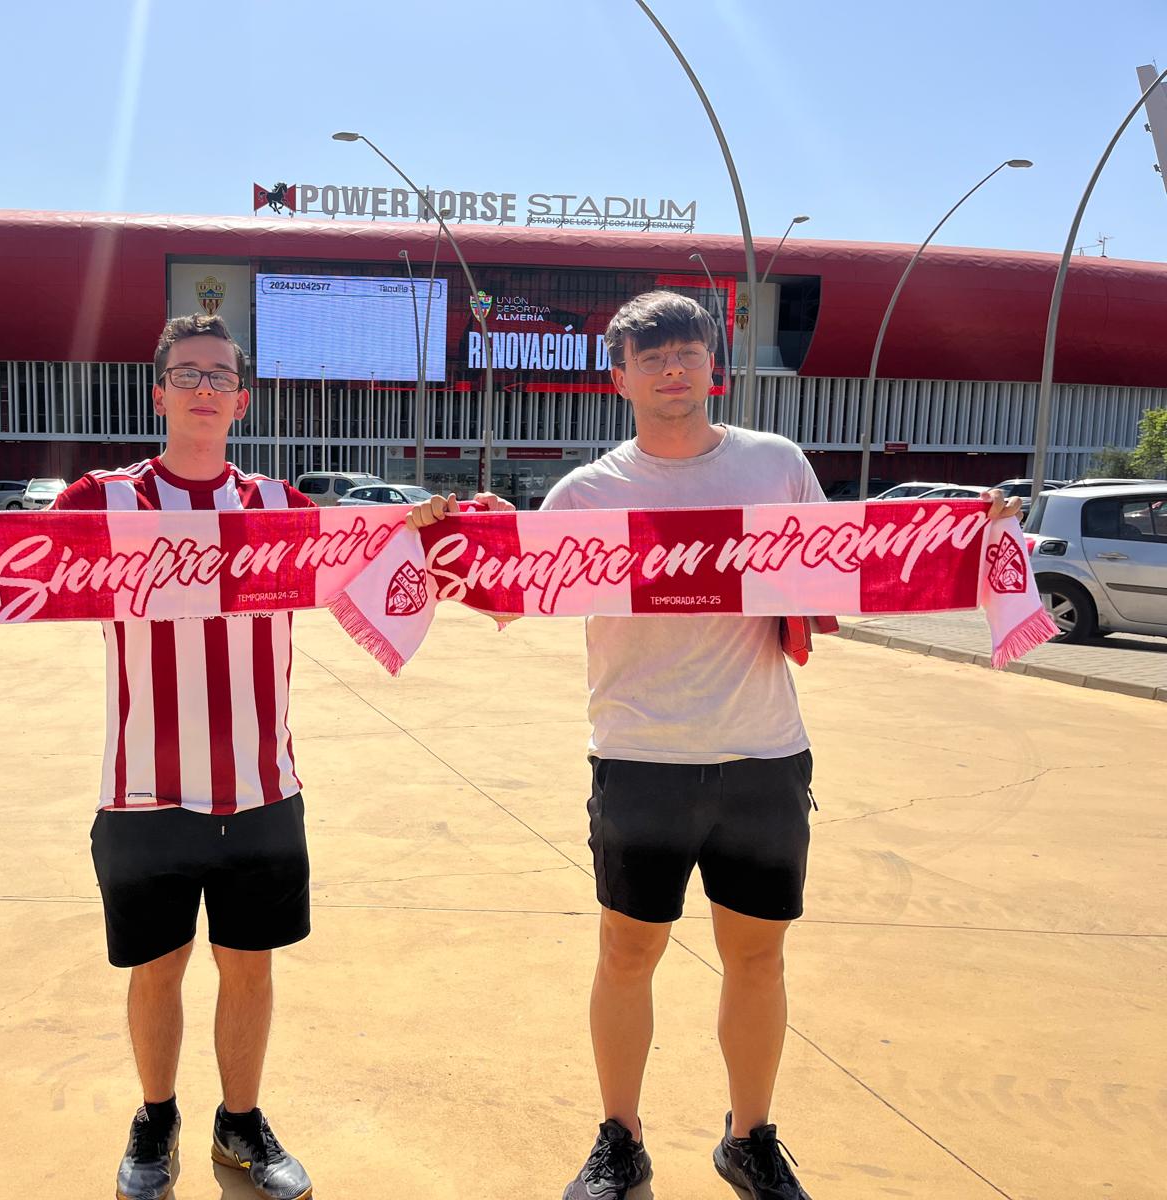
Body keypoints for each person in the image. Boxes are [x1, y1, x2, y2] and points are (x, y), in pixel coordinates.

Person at [409, 290, 1019, 1200]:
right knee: (626, 953)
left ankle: (750, 1135)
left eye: (688, 353)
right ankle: (620, 1138)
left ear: (712, 366)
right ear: (617, 377)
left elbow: (839, 571)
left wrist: (965, 539)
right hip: (638, 757)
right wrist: (447, 538)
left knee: (759, 957)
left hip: (763, 756)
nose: (672, 370)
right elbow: (504, 591)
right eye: (651, 358)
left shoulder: (775, 467)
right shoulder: (586, 494)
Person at [0, 314, 314, 1200]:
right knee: (157, 966)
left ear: (241, 399)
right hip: (141, 791)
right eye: (188, 373)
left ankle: (239, 1122)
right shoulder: (102, 498)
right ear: (159, 392)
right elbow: (3, 555)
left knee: (249, 965)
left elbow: (386, 565)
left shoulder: (283, 507)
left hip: (261, 786)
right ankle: (156, 1117)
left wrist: (448, 523)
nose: (204, 388)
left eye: (221, 375)